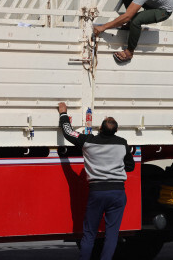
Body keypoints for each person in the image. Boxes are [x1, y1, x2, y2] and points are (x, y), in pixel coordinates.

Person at [58, 102, 135, 260]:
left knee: (89, 233)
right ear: (116, 131)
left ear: (100, 128)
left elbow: (68, 132)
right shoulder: (122, 143)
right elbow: (130, 166)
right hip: (118, 193)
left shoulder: (88, 141)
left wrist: (63, 113)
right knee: (112, 234)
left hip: (97, 192)